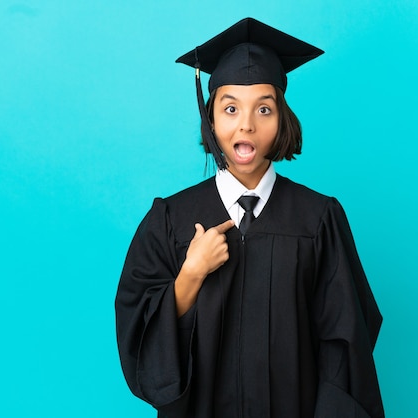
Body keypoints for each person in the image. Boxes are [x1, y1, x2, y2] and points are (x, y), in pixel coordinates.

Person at [115, 17, 384, 418]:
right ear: (210, 119)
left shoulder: (318, 219)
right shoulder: (170, 220)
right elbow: (139, 336)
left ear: (282, 119)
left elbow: (347, 338)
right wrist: (190, 275)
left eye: (264, 108)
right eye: (230, 108)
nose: (246, 124)